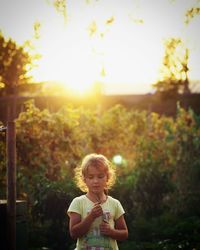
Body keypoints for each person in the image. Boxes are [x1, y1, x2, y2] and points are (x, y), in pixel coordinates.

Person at [67, 153, 128, 250]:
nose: (96, 181)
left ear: (107, 177)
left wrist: (112, 232)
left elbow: (124, 233)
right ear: (84, 179)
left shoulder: (115, 203)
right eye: (91, 177)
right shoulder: (78, 202)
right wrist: (91, 216)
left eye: (100, 176)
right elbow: (74, 233)